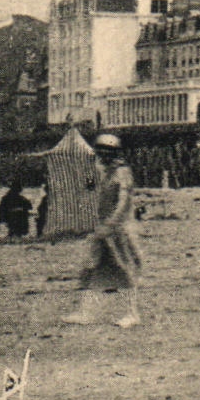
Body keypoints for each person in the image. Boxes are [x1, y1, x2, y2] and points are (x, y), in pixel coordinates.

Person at [63, 134, 143, 328]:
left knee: (124, 268)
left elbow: (123, 202)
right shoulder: (99, 170)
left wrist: (112, 223)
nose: (104, 155)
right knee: (89, 268)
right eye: (101, 151)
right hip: (100, 227)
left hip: (118, 228)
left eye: (108, 152)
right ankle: (85, 312)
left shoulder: (122, 172)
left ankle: (132, 314)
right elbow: (88, 191)